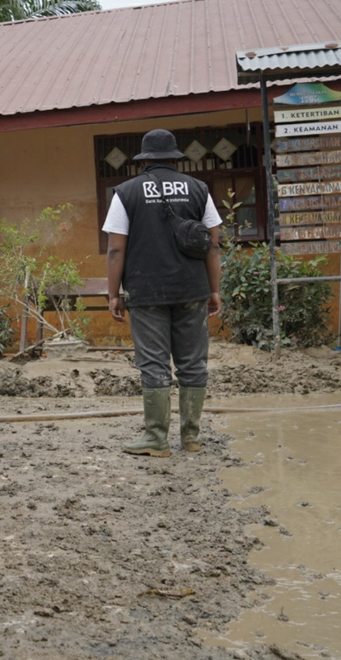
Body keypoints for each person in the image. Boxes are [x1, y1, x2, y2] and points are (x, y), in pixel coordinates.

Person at [103, 129, 223, 457]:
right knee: (193, 363)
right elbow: (212, 245)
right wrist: (214, 290)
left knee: (154, 363)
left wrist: (114, 294)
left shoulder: (126, 192)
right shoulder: (198, 189)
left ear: (143, 160)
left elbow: (115, 249)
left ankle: (156, 438)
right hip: (192, 289)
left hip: (147, 290)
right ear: (174, 157)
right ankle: (192, 438)